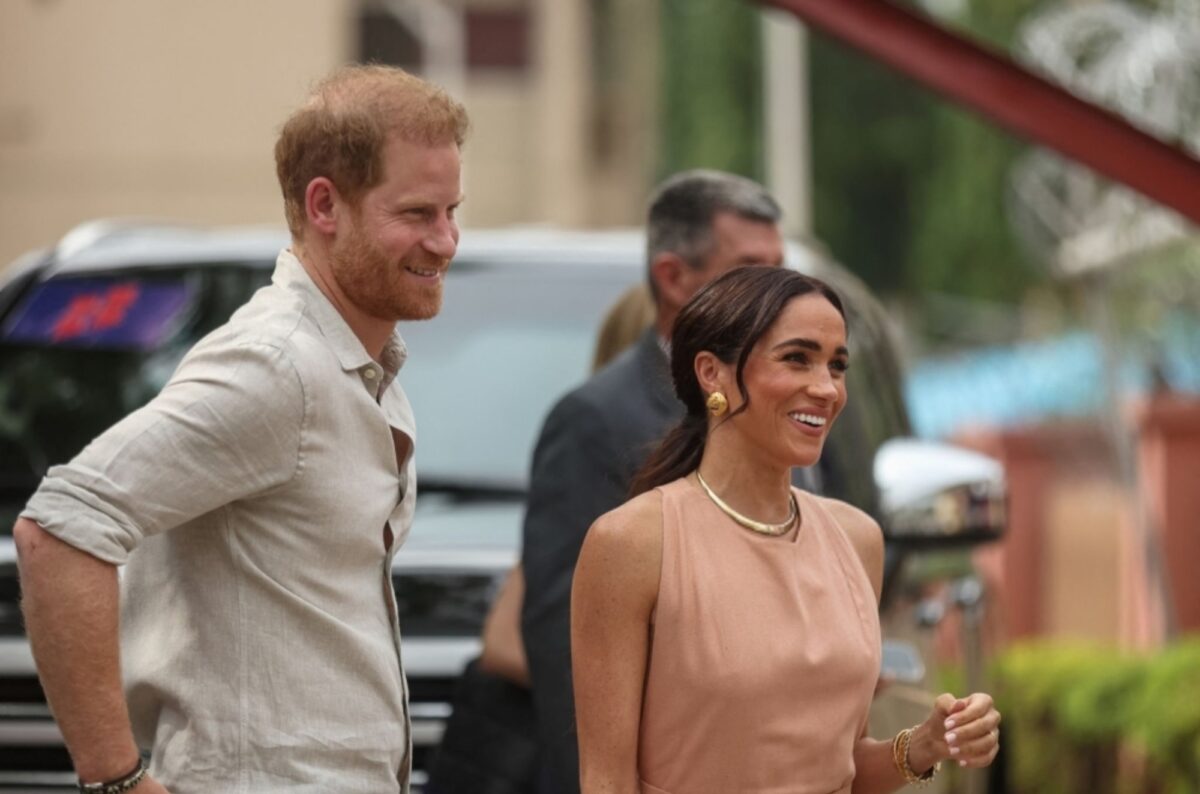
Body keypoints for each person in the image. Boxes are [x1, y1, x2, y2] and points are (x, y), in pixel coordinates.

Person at [13, 65, 468, 793]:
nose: (445, 241)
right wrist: (116, 779)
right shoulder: (277, 365)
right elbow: (60, 528)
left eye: (451, 211)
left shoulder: (350, 366)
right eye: (417, 214)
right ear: (325, 205)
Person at [571, 266, 1001, 793]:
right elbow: (606, 781)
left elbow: (841, 769)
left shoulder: (856, 540)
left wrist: (926, 744)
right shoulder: (633, 543)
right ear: (712, 373)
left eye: (837, 366)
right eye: (797, 358)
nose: (826, 388)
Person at [521, 169, 794, 794]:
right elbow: (568, 648)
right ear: (673, 277)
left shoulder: (803, 403)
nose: (777, 295)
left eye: (780, 269)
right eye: (750, 270)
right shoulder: (597, 420)